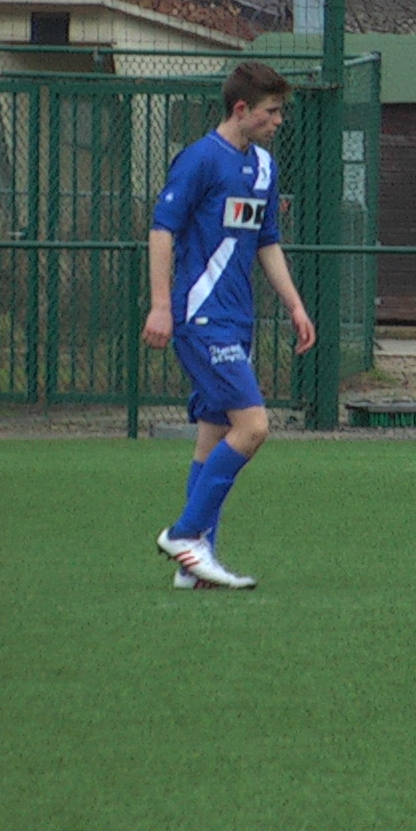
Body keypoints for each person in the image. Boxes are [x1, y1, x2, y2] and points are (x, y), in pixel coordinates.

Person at [145, 62, 316, 590]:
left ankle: (195, 568)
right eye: (271, 112)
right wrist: (160, 306)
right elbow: (162, 231)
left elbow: (267, 242)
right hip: (202, 317)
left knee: (213, 436)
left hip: (238, 320)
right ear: (241, 110)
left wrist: (294, 305)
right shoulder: (199, 159)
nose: (279, 121)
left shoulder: (263, 167)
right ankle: (185, 534)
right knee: (254, 427)